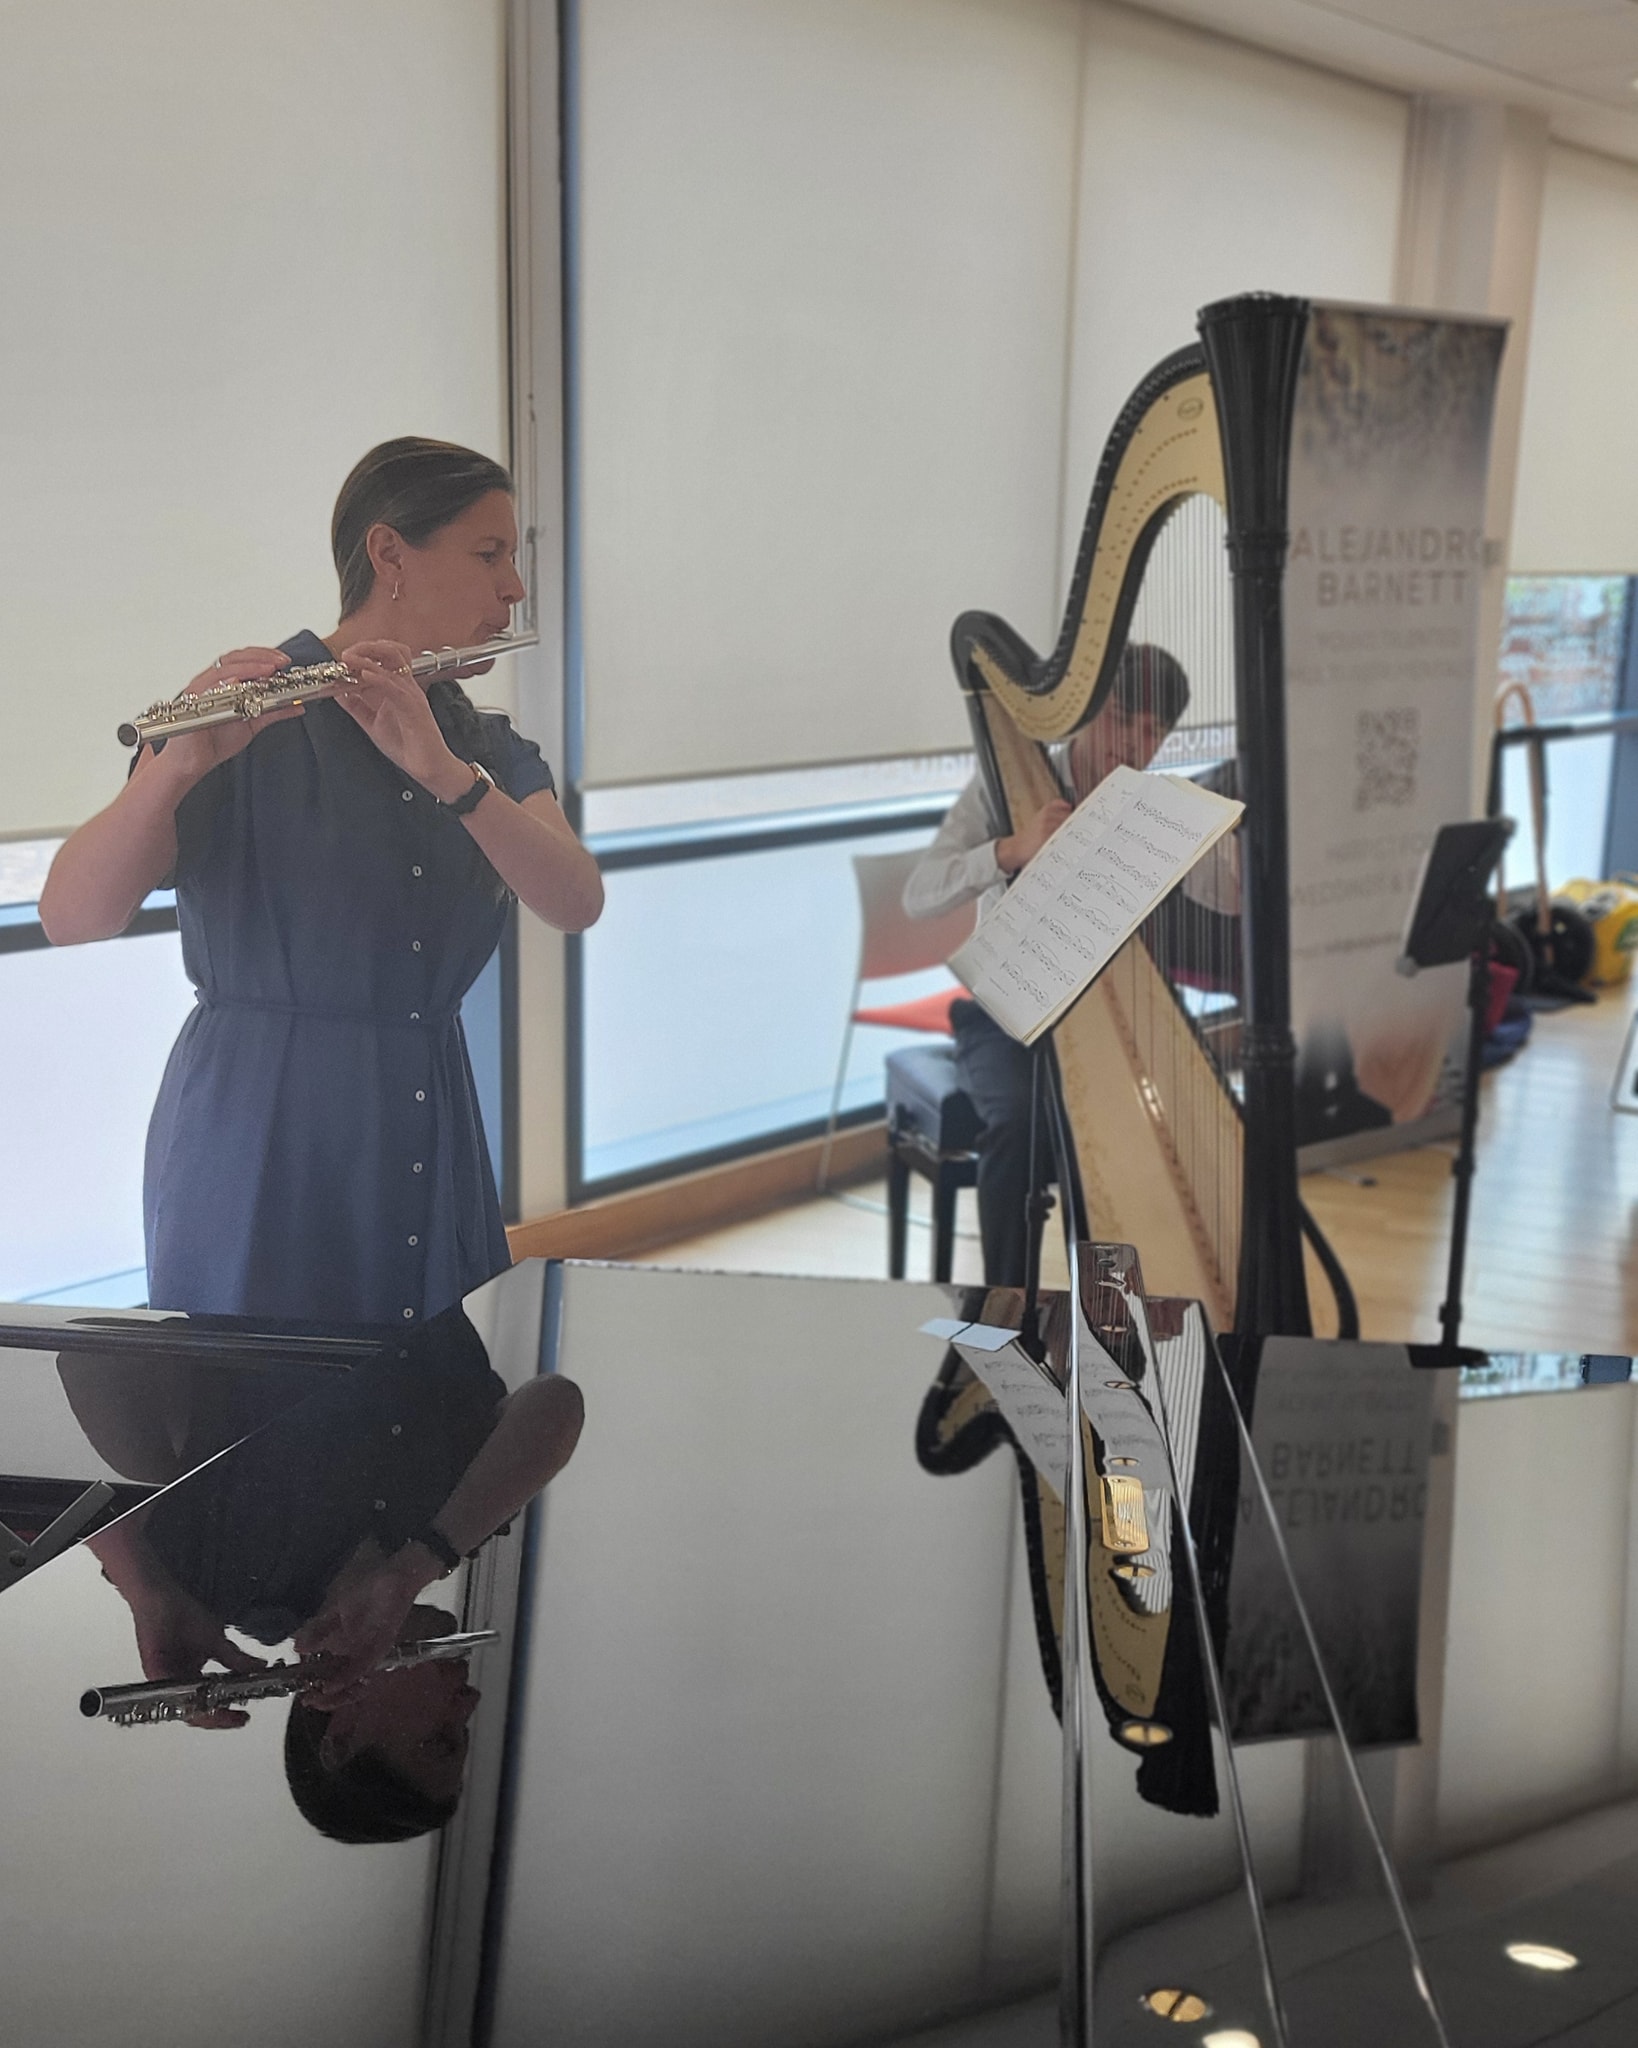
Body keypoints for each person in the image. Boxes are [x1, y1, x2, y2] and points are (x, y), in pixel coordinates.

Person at [40, 438, 603, 1325]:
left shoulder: (485, 747)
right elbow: (72, 916)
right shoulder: (251, 715)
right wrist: (171, 771)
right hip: (261, 1131)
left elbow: (576, 901)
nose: (514, 590)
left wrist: (452, 778)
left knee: (433, 1421)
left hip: (427, 1111)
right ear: (390, 557)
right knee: (259, 1427)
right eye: (489, 555)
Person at [903, 644, 1190, 1285]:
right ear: (1083, 714)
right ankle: (1002, 1312)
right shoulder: (1002, 786)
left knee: (1148, 1130)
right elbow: (919, 894)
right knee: (1020, 1125)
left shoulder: (1152, 810)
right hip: (1006, 1016)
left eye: (1153, 731)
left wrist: (1215, 844)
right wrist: (1009, 849)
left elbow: (1226, 896)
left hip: (1109, 1021)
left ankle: (1114, 1311)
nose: (1132, 743)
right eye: (1120, 718)